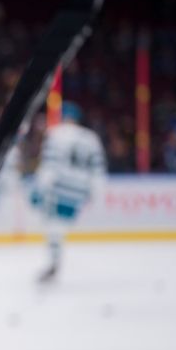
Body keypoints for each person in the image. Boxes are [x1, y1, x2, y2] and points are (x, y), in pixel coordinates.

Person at [30, 101, 106, 282]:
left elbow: (50, 166)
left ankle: (54, 264)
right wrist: (93, 193)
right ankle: (54, 263)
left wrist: (38, 189)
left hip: (59, 189)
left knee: (52, 227)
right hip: (78, 192)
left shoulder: (56, 135)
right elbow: (98, 170)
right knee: (57, 228)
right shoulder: (91, 138)